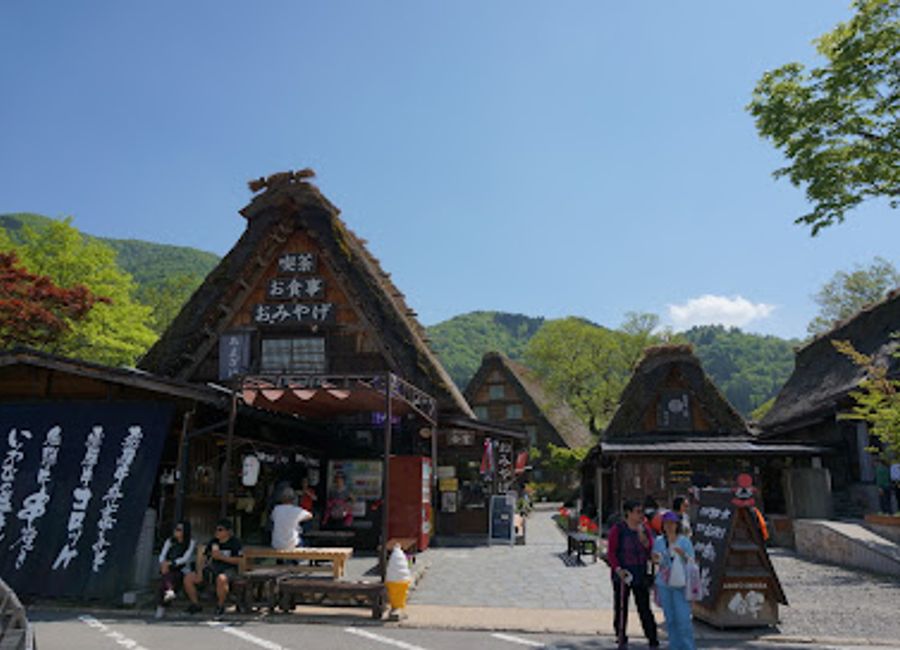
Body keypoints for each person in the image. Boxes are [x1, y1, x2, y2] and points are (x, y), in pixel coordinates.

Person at [607, 500, 659, 649]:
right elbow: (611, 553)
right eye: (637, 511)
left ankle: (652, 638)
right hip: (623, 574)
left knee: (644, 607)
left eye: (642, 511)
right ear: (628, 513)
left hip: (640, 572)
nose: (641, 515)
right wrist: (618, 569)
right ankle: (621, 635)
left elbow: (650, 550)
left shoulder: (645, 529)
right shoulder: (618, 529)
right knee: (621, 606)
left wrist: (643, 538)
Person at [652, 511, 697, 650]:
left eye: (672, 523)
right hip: (664, 583)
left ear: (677, 525)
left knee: (683, 619)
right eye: (666, 523)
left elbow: (692, 562)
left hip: (681, 584)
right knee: (670, 619)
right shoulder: (659, 541)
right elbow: (655, 560)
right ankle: (674, 646)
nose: (669, 526)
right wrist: (655, 558)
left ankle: (688, 647)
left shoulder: (684, 541)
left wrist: (683, 555)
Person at [183, 518, 243, 617]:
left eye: (220, 530)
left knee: (221, 579)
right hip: (211, 568)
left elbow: (239, 560)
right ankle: (195, 604)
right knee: (188, 578)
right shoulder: (213, 542)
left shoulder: (235, 543)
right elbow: (204, 559)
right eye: (216, 529)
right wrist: (199, 572)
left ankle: (220, 605)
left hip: (228, 569)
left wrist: (222, 557)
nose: (217, 532)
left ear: (228, 531)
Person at [155, 521, 195, 619]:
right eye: (176, 529)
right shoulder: (170, 541)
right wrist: (164, 563)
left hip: (182, 568)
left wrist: (171, 563)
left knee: (167, 578)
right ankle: (169, 591)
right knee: (168, 576)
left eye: (179, 529)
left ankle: (162, 606)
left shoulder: (190, 542)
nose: (176, 531)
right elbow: (162, 555)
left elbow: (185, 558)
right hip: (168, 568)